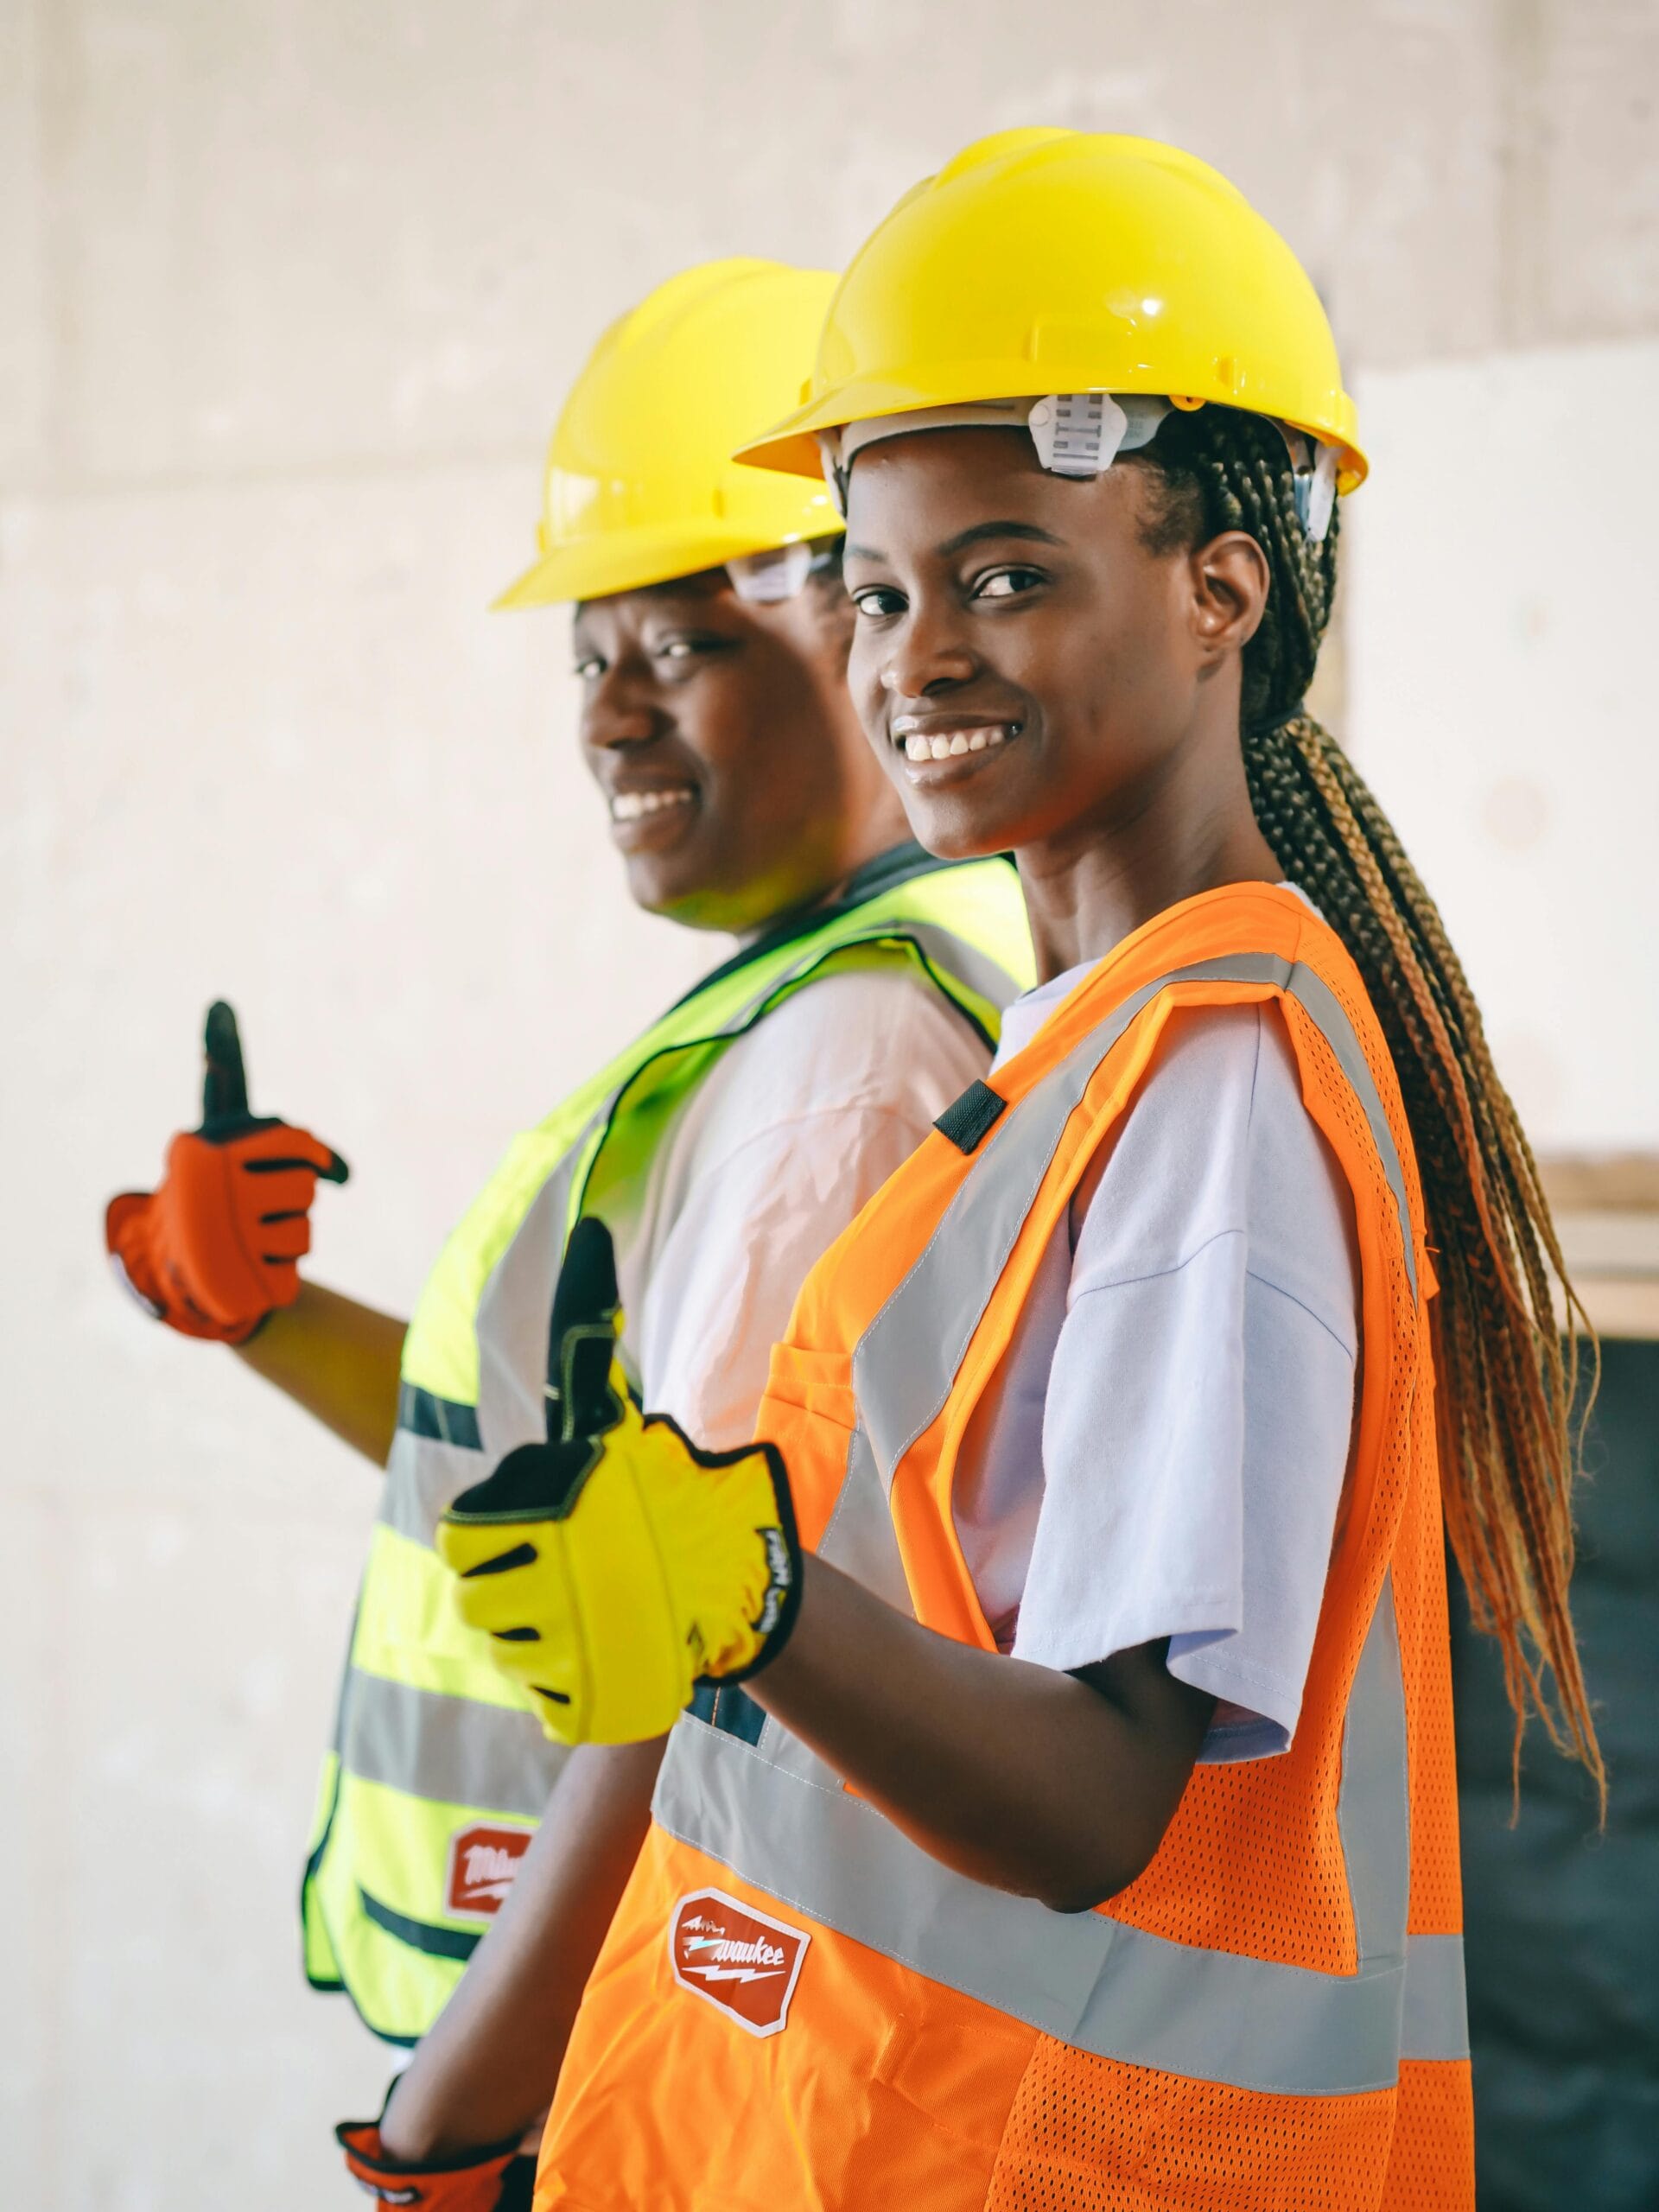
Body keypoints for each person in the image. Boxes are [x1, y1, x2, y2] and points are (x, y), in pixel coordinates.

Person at [441, 135, 1605, 2210]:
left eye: (1006, 574)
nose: (913, 657)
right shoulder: (1083, 1038)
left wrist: (753, 1596)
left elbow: (1099, 1801)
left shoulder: (1215, 1078)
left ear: (1221, 588)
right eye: (880, 590)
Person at [104, 257, 1032, 2208]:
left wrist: (458, 2120)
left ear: (860, 618)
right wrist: (264, 1313)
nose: (607, 710)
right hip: (572, 2018)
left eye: (677, 637)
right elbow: (574, 1492)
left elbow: (700, 1645)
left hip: (590, 2051)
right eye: (584, 654)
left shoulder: (843, 1055)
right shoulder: (781, 1011)